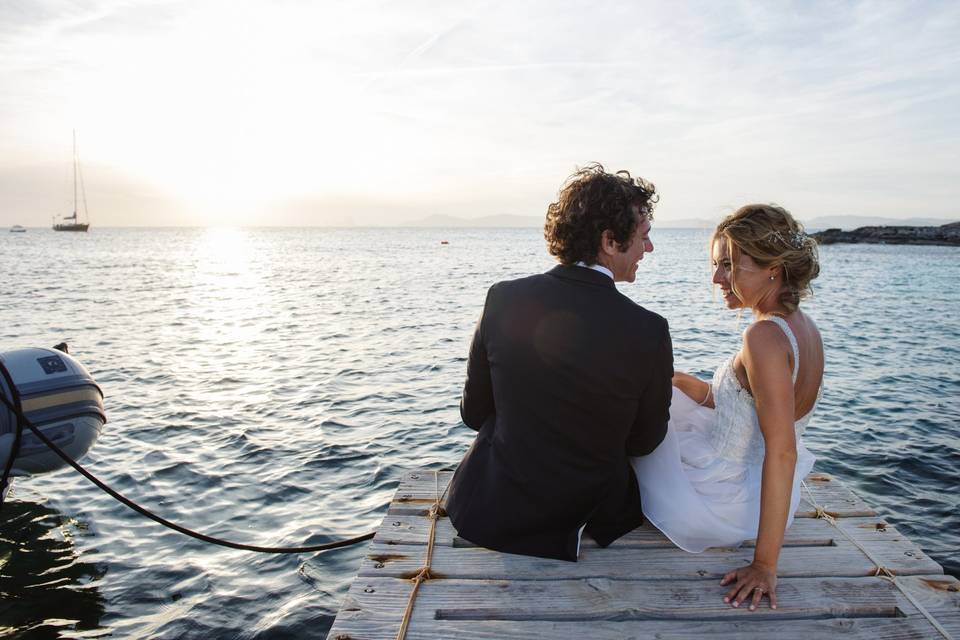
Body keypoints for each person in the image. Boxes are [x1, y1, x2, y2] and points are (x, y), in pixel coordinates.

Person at [445, 163, 674, 561]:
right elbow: (645, 441)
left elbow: (473, 412)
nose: (648, 248)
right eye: (644, 237)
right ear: (609, 240)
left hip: (491, 509)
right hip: (591, 517)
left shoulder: (502, 298)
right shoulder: (649, 330)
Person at [631, 203, 822, 610]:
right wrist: (679, 381)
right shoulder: (802, 326)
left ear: (773, 267)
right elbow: (746, 404)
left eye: (729, 266)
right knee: (665, 399)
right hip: (763, 500)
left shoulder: (764, 338)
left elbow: (783, 449)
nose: (717, 278)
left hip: (721, 500)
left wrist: (764, 564)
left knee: (635, 432)